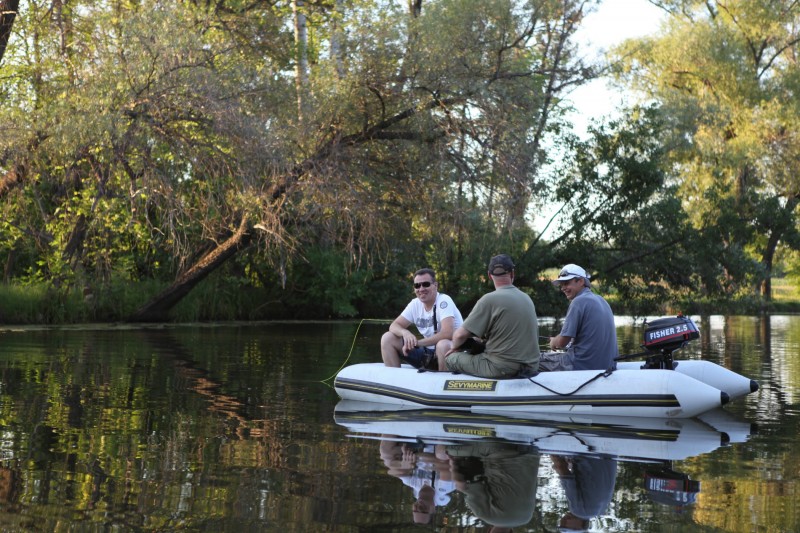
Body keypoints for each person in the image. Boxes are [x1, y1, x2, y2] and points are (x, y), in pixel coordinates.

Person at [444, 254, 539, 378]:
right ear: (512, 273)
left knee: (451, 358)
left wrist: (454, 348)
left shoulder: (488, 300)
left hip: (501, 368)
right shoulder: (527, 298)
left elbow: (459, 335)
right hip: (531, 366)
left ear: (489, 275)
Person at [446, 440, 541, 530]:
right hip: (499, 450)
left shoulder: (527, 517)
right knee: (443, 451)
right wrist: (453, 463)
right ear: (489, 531)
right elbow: (462, 483)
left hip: (532, 452)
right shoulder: (486, 516)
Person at [540, 264, 618, 372]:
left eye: (566, 283)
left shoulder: (578, 302)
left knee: (530, 360)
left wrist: (553, 342)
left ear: (581, 281)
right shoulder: (602, 300)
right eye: (561, 285)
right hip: (607, 365)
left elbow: (562, 342)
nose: (563, 288)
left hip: (581, 365)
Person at [381, 268, 464, 370]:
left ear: (435, 285)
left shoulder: (444, 301)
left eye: (426, 284)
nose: (421, 289)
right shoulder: (414, 304)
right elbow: (394, 325)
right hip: (427, 354)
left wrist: (417, 343)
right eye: (417, 285)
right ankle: (394, 381)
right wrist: (405, 333)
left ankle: (442, 382)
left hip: (451, 352)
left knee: (443, 345)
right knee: (387, 338)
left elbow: (448, 333)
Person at [379, 437, 456, 525]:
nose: (419, 508)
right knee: (441, 454)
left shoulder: (414, 485)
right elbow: (444, 464)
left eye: (415, 510)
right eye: (424, 511)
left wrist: (404, 464)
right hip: (439, 445)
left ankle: (392, 425)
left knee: (386, 455)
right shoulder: (444, 489)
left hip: (422, 444)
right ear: (433, 510)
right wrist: (416, 458)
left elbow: (393, 470)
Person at [550, 454, 618, 532]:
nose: (562, 522)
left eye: (561, 525)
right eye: (565, 526)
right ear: (578, 527)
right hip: (588, 454)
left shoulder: (601, 510)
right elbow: (561, 468)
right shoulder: (578, 511)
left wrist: (572, 464)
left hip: (609, 455)